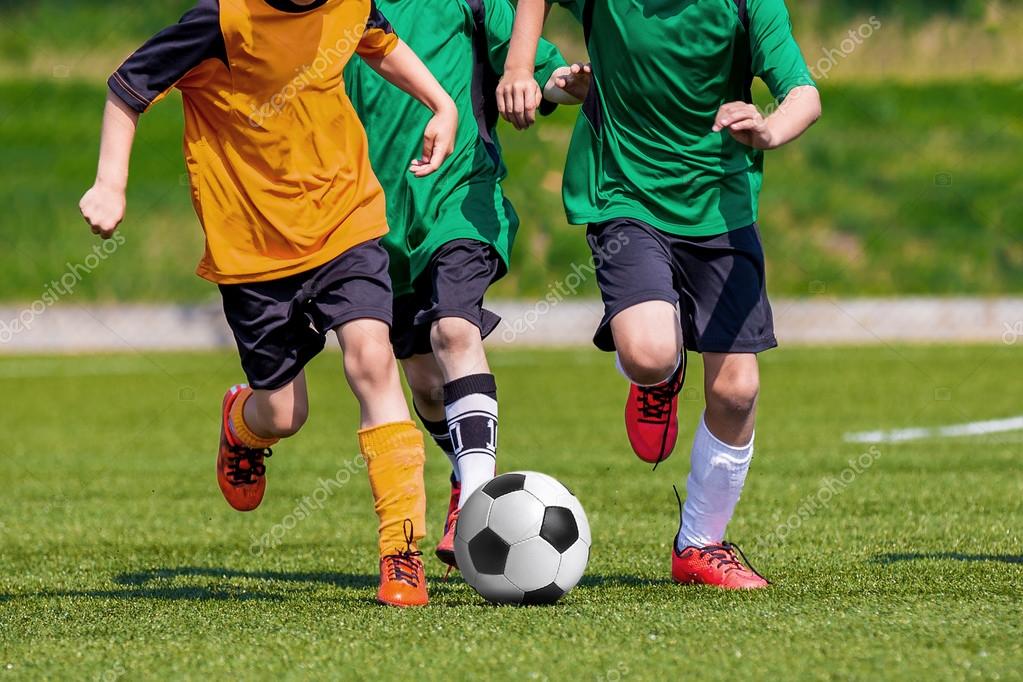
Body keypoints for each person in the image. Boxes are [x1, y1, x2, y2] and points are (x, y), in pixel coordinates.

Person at [78, 0, 460, 607]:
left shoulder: (349, 2)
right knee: (283, 415)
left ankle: (401, 554)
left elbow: (379, 41)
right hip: (253, 249)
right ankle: (241, 424)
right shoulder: (222, 20)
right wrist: (110, 181)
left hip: (346, 219)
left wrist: (442, 103)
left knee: (372, 360)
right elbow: (127, 88)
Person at [498, 0, 821, 588]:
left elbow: (804, 93)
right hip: (626, 197)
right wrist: (521, 66)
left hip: (721, 209)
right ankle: (658, 376)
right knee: (650, 354)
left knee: (738, 392)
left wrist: (768, 128)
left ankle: (700, 545)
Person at [344, 0, 589, 569]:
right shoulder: (339, 12)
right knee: (425, 385)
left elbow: (533, 69)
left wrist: (561, 82)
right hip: (372, 216)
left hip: (461, 199)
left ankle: (480, 504)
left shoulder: (472, 2)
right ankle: (465, 474)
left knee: (455, 330)